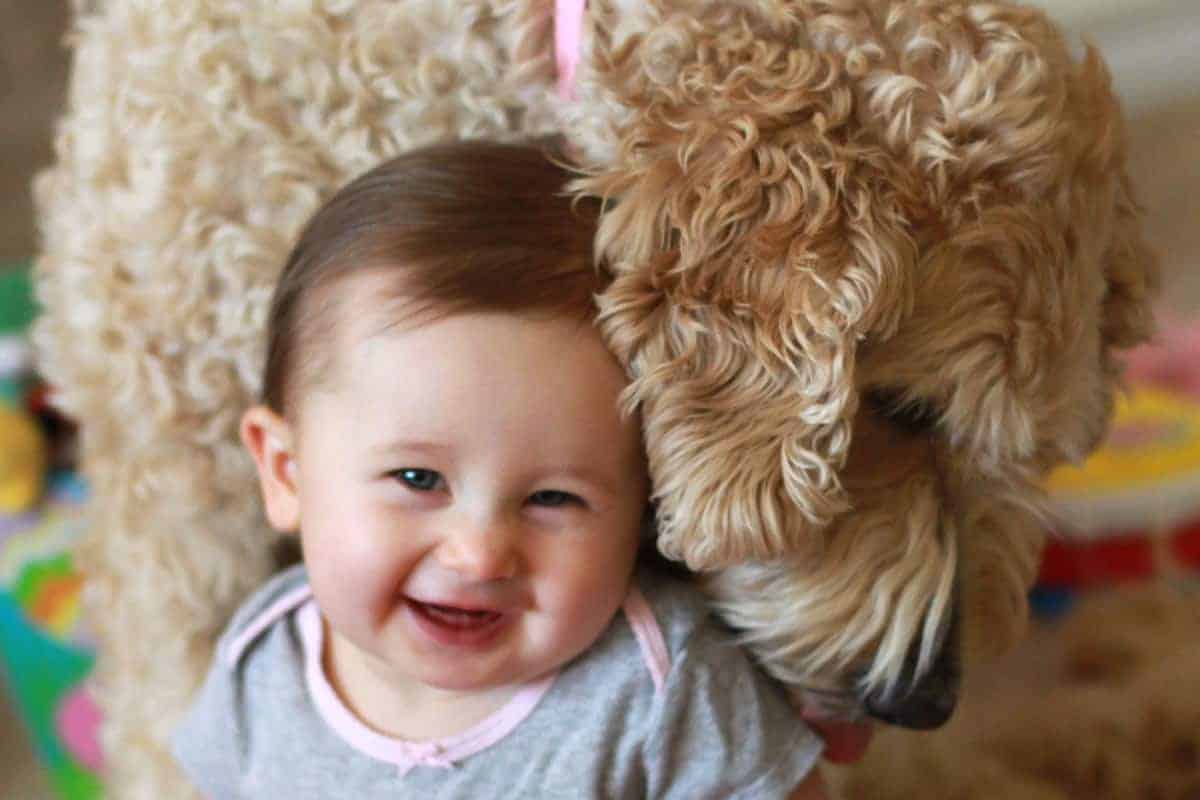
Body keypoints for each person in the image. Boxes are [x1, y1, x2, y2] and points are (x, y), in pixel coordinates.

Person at [170, 139, 834, 798]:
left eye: (553, 498)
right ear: (287, 473)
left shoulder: (660, 687)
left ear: (644, 505)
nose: (480, 556)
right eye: (418, 480)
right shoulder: (260, 665)